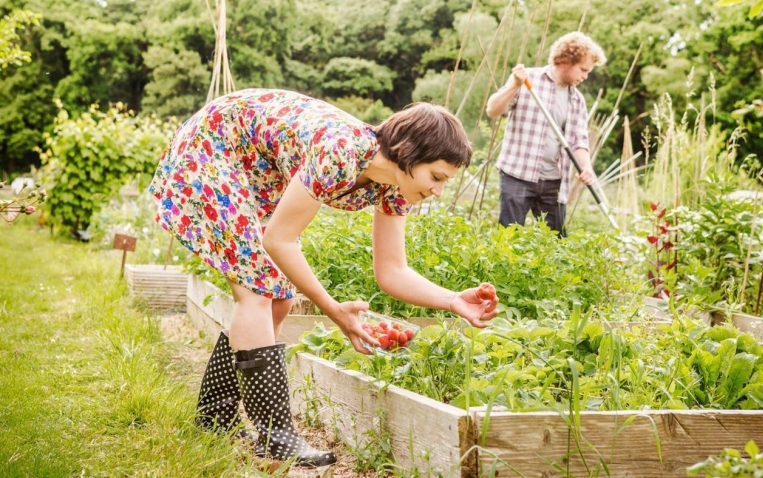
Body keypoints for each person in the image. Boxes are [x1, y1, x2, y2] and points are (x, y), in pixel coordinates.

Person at [149, 89, 499, 467]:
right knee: (258, 291)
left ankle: (215, 417)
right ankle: (276, 436)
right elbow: (279, 240)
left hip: (254, 167)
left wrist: (452, 300)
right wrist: (333, 309)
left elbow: (392, 272)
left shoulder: (396, 188)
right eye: (436, 176)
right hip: (213, 146)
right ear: (407, 153)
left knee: (278, 297)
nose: (438, 190)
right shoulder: (341, 151)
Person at [485, 32, 606, 237]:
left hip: (553, 182)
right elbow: (493, 110)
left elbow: (579, 142)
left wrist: (585, 167)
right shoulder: (527, 80)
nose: (585, 76)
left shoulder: (576, 100)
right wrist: (514, 85)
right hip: (517, 175)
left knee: (556, 244)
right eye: (583, 70)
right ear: (567, 60)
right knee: (508, 239)